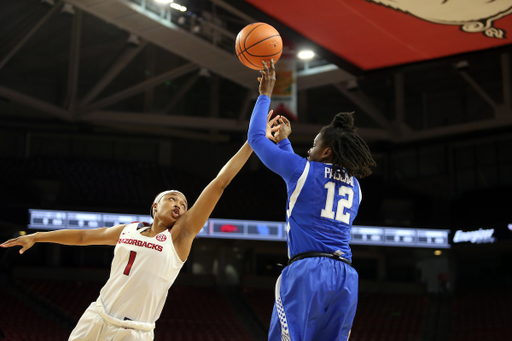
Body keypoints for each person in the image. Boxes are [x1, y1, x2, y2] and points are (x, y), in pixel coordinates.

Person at [0, 141, 253, 341]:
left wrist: (253, 142)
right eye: (173, 199)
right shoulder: (128, 230)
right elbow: (83, 236)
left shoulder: (178, 239)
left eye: (184, 204)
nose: (180, 204)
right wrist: (37, 237)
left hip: (135, 332)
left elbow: (220, 183)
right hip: (97, 317)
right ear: (155, 206)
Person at [248, 60, 376, 341]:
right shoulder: (355, 186)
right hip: (345, 277)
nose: (309, 148)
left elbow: (257, 138)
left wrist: (265, 95)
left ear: (327, 151)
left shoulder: (301, 169)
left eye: (315, 144)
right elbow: (310, 184)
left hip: (308, 272)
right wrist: (284, 145)